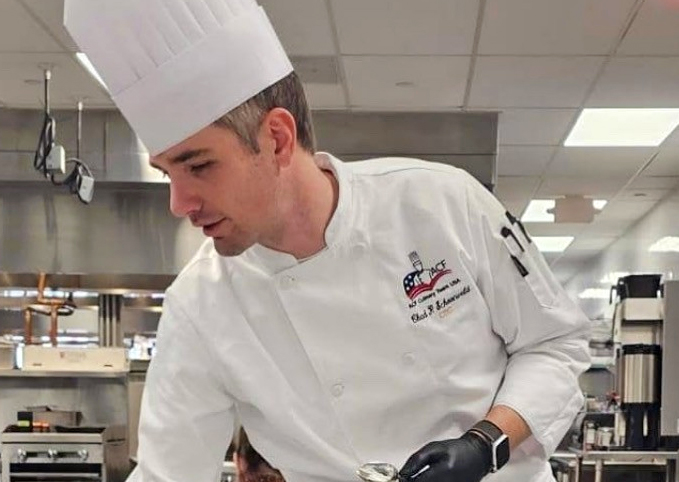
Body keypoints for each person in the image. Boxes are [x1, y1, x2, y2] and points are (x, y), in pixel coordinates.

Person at [64, 1, 591, 481]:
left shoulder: (441, 203)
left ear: (276, 138)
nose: (179, 203)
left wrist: (485, 443)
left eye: (199, 165)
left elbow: (555, 344)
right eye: (166, 174)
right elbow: (167, 474)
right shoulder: (200, 305)